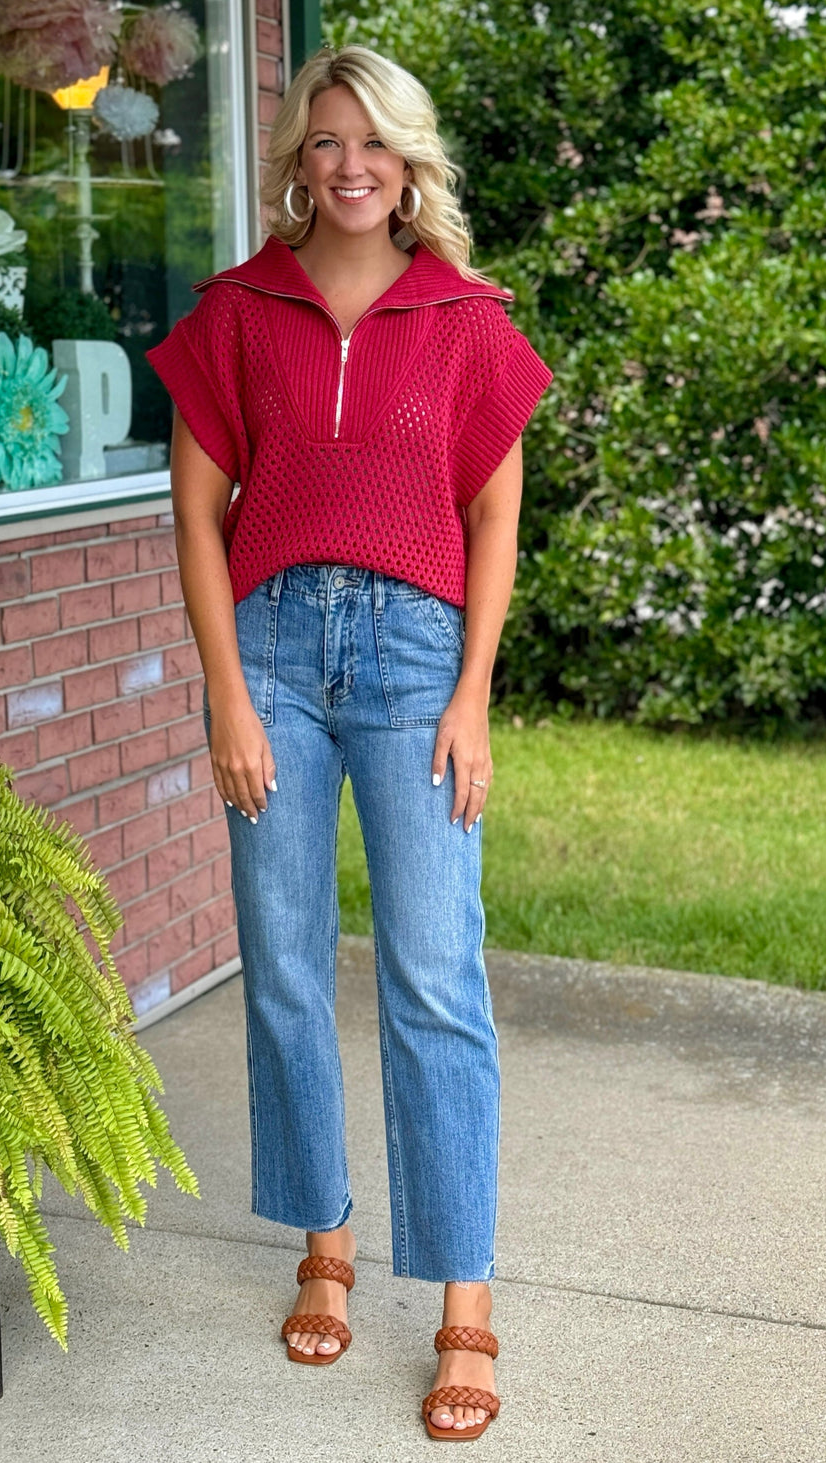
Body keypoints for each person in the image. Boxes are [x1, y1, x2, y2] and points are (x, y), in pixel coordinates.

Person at [147, 43, 552, 1441]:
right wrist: (226, 697)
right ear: (298, 163)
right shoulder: (240, 309)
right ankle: (322, 1242)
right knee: (287, 968)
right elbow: (196, 512)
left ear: (410, 161)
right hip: (273, 658)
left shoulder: (464, 316)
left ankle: (463, 1306)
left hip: (413, 665)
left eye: (374, 143)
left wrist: (472, 693)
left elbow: (495, 516)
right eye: (326, 143)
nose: (351, 166)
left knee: (437, 977)